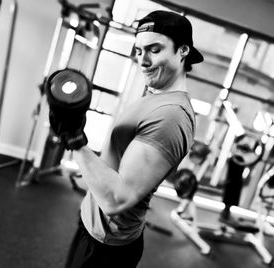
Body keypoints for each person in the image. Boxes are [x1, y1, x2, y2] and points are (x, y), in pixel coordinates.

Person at [60, 10, 204, 268]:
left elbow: (117, 198)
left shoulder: (171, 116)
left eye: (154, 49)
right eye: (138, 51)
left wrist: (74, 140)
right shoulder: (155, 96)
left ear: (183, 51)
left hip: (106, 246)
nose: (143, 60)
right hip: (94, 227)